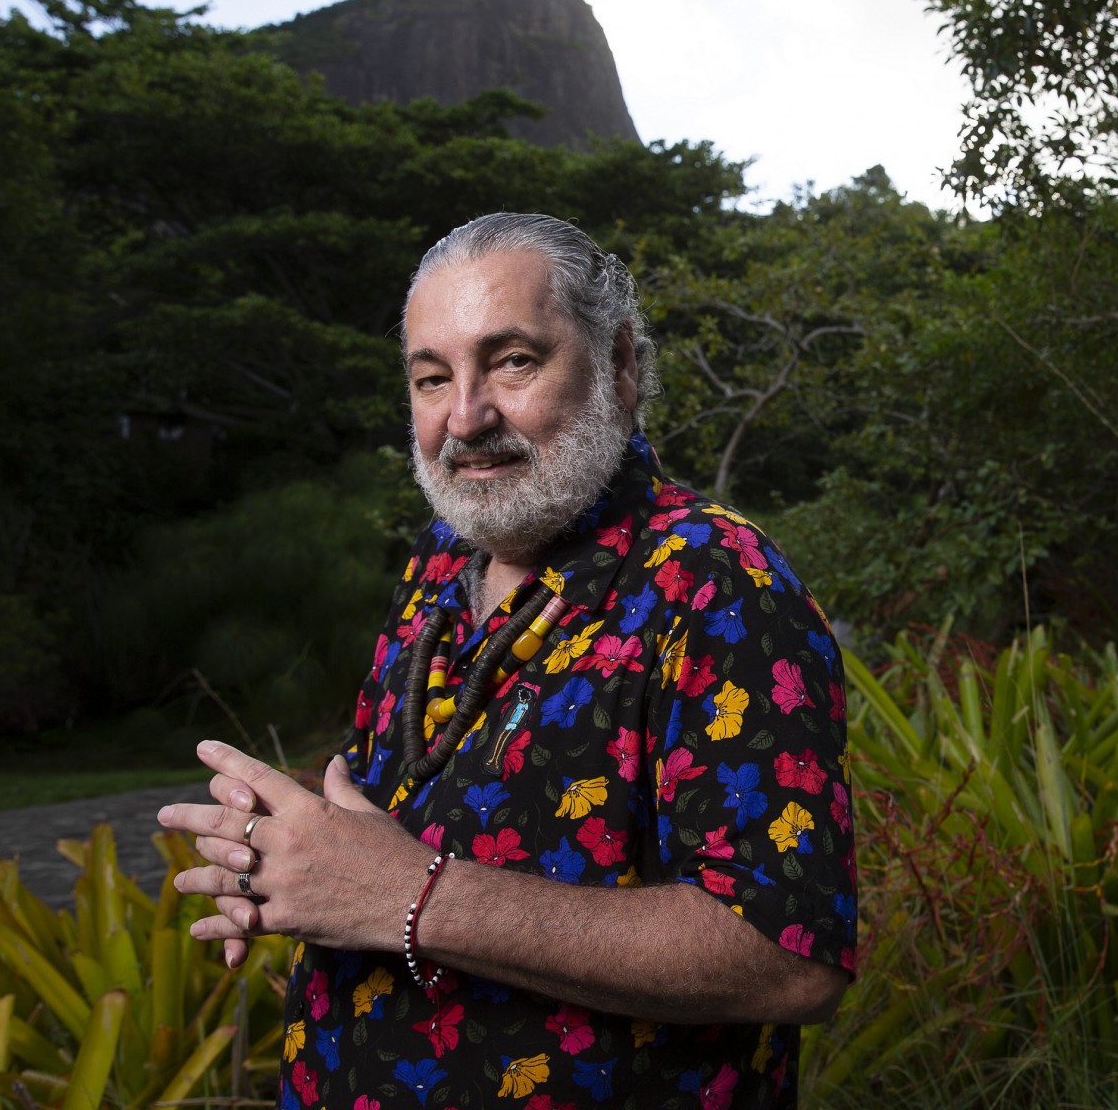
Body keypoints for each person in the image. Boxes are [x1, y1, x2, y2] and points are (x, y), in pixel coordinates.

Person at [159, 213, 856, 1110]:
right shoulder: (440, 561)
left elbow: (789, 959)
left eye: (513, 361)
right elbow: (420, 818)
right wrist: (291, 851)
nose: (466, 417)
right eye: (430, 377)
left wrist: (413, 896)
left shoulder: (715, 581)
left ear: (619, 367)